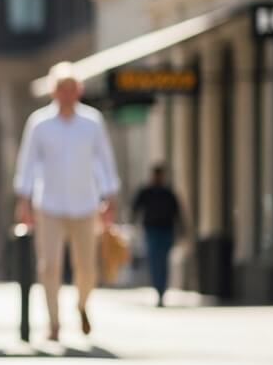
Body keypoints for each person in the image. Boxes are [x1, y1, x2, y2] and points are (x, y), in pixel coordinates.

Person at [14, 62, 120, 342]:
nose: (67, 93)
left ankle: (82, 305)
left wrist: (109, 196)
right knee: (49, 265)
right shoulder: (39, 123)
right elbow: (28, 162)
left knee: (86, 267)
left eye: (72, 88)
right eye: (62, 88)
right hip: (48, 204)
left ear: (79, 90)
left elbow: (104, 160)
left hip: (85, 205)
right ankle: (53, 322)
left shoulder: (92, 122)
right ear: (53, 91)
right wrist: (23, 199)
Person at [131, 163, 184, 307]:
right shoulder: (146, 192)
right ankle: (158, 289)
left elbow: (177, 212)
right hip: (152, 231)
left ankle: (162, 290)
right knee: (154, 261)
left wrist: (181, 229)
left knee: (163, 262)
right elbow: (135, 207)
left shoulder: (168, 193)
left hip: (166, 231)